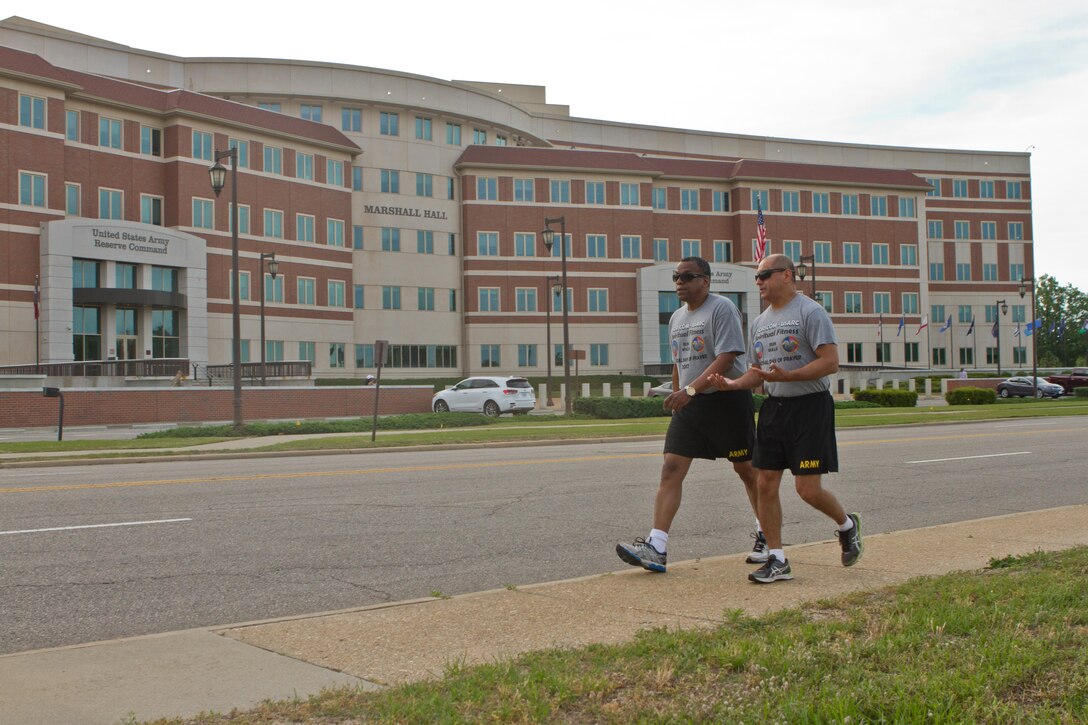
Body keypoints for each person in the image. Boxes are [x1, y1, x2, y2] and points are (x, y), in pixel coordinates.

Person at [709, 253, 862, 584]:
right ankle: (777, 559)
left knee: (807, 489)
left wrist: (788, 377)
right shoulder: (761, 322)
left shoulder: (811, 312)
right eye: (757, 277)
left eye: (765, 275)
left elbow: (830, 362)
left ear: (788, 275)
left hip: (810, 407)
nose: (759, 282)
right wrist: (733, 385)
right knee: (764, 482)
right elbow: (758, 373)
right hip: (775, 409)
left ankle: (847, 525)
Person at [616, 256, 765, 573]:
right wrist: (677, 393)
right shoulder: (676, 318)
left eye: (687, 276)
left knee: (746, 469)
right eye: (676, 277)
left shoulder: (722, 308)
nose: (679, 282)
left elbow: (727, 357)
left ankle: (766, 533)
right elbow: (678, 362)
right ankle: (657, 547)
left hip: (727, 399)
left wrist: (691, 390)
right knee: (670, 467)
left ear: (705, 281)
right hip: (690, 404)